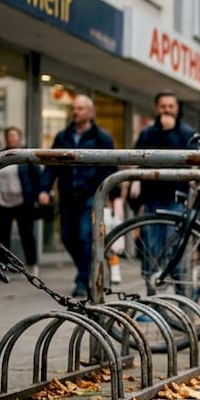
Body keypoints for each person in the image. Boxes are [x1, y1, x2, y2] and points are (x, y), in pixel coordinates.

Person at [39, 95, 117, 298]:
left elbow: (111, 167)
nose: (76, 112)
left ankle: (82, 280)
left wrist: (110, 193)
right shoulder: (62, 136)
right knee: (67, 237)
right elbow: (51, 165)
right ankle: (89, 271)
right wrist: (43, 189)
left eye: (81, 109)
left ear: (91, 112)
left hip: (91, 195)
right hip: (67, 196)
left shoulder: (102, 137)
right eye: (74, 108)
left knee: (85, 236)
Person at [131, 92, 195, 281]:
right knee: (150, 247)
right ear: (156, 108)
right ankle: (152, 293)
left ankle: (176, 291)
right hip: (151, 197)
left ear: (177, 109)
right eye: (163, 106)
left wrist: (169, 133)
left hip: (176, 197)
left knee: (171, 244)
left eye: (171, 106)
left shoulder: (186, 133)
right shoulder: (147, 132)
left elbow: (187, 160)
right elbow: (137, 160)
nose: (167, 110)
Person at [0, 127, 44, 278]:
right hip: (2, 201)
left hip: (23, 202)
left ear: (20, 138)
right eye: (9, 136)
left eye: (14, 136)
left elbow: (38, 176)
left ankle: (32, 265)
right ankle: (2, 267)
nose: (11, 139)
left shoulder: (26, 155)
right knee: (2, 236)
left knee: (26, 235)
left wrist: (40, 194)